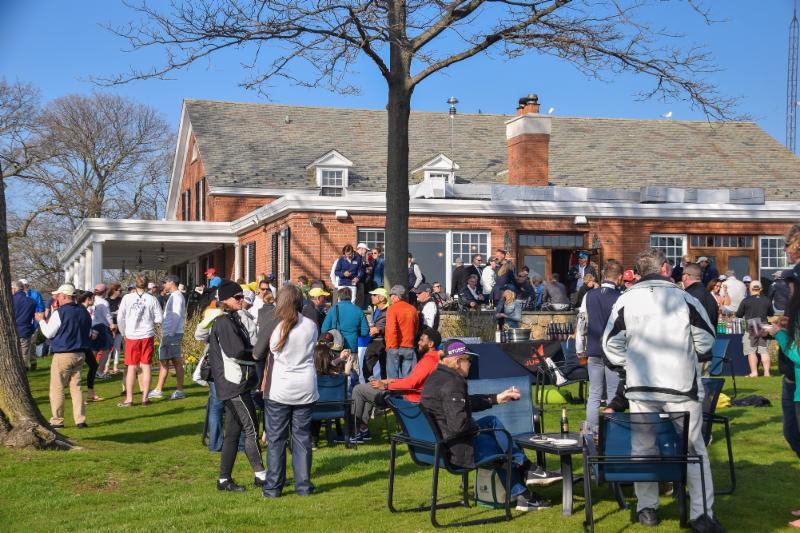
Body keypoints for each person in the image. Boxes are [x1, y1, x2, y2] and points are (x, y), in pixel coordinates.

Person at [603, 248, 720, 531]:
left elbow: (609, 345)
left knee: (643, 448)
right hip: (680, 385)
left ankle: (647, 509)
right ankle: (700, 514)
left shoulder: (625, 300)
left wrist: (628, 364)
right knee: (693, 450)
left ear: (640, 271)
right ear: (666, 268)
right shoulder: (684, 298)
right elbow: (706, 341)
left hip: (641, 386)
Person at [421, 340, 552, 512]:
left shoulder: (436, 377)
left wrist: (497, 398)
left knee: (492, 422)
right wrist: (478, 429)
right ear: (459, 361)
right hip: (457, 450)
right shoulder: (453, 383)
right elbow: (458, 425)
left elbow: (464, 404)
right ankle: (525, 490)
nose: (471, 364)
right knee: (500, 446)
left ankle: (526, 470)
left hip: (437, 447)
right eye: (469, 360)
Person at [206, 280, 266, 492]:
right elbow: (237, 351)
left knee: (233, 433)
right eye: (237, 297)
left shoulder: (232, 319)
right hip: (234, 385)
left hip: (236, 384)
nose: (242, 300)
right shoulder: (224, 322)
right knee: (251, 428)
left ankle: (224, 479)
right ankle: (261, 475)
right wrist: (259, 352)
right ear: (225, 301)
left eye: (242, 297)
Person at [262, 284, 318, 498]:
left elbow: (259, 352)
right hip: (305, 386)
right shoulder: (311, 325)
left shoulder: (275, 325)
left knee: (276, 439)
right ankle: (303, 486)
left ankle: (273, 487)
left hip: (281, 388)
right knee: (302, 438)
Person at [351, 327, 442, 441]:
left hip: (408, 399)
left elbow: (411, 383)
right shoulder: (435, 358)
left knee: (358, 389)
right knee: (369, 386)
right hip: (410, 394)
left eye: (422, 340)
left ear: (431, 344)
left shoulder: (428, 361)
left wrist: (386, 386)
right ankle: (363, 429)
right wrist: (390, 381)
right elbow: (412, 380)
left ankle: (354, 431)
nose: (418, 342)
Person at [766, 265, 800, 528]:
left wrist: (776, 334)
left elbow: (799, 355)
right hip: (794, 386)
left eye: (790, 284)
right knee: (792, 435)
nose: (787, 289)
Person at [35, 284, 90, 429]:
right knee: (76, 387)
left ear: (65, 296)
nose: (56, 297)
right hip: (80, 353)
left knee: (57, 388)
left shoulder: (60, 312)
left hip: (63, 353)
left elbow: (48, 333)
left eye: (58, 295)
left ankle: (57, 420)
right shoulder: (84, 311)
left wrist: (41, 320)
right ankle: (80, 420)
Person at [575, 261, 622, 429]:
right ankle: (612, 430)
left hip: (594, 349)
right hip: (613, 352)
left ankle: (592, 430)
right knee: (613, 393)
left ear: (603, 276)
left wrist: (580, 349)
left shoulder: (590, 295)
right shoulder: (620, 297)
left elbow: (581, 323)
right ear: (620, 278)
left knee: (594, 393)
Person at [117, 274, 164, 407]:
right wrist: (151, 323)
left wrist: (123, 332)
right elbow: (159, 318)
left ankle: (129, 399)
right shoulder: (152, 299)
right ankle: (145, 398)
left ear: (135, 284)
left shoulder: (127, 298)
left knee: (131, 367)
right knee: (146, 365)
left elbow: (120, 318)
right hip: (147, 334)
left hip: (132, 335)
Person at [150, 275, 187, 400]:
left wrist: (170, 333)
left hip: (173, 334)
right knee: (164, 361)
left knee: (175, 361)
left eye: (165, 282)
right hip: (171, 333)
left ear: (172, 282)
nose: (164, 284)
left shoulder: (176, 296)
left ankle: (179, 390)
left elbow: (176, 316)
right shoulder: (174, 296)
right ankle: (159, 389)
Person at [737, 280, 774, 377]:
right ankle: (767, 373)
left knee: (751, 350)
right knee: (764, 350)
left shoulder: (746, 300)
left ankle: (754, 372)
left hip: (752, 324)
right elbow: (771, 313)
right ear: (761, 289)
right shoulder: (767, 300)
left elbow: (739, 314)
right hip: (764, 325)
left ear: (750, 289)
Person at [385, 285, 419, 378]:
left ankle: (394, 393)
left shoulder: (392, 308)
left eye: (392, 295)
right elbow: (415, 328)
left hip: (395, 346)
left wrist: (391, 347)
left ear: (397, 296)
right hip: (409, 346)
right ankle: (406, 393)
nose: (391, 298)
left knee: (393, 379)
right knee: (408, 378)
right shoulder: (413, 309)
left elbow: (391, 330)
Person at [321, 287, 369, 353]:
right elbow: (365, 331)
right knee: (351, 362)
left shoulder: (333, 309)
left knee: (336, 362)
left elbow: (324, 329)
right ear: (351, 297)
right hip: (352, 346)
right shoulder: (358, 310)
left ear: (339, 297)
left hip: (336, 345)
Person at [684, 264, 720, 332]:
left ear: (685, 277)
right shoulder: (710, 296)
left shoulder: (686, 295)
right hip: (709, 339)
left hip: (693, 339)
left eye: (682, 274)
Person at [363, 287, 389, 380]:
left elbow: (392, 326)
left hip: (383, 342)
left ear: (382, 298)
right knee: (367, 368)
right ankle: (370, 388)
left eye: (374, 295)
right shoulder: (376, 308)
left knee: (384, 369)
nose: (371, 297)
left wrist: (379, 330)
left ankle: (384, 390)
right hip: (374, 341)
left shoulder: (389, 311)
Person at [12, 280, 36, 370]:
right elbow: (34, 317)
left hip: (13, 330)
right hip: (26, 329)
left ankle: (16, 369)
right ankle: (24, 368)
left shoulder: (10, 300)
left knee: (13, 351)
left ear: (14, 289)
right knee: (24, 352)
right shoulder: (32, 301)